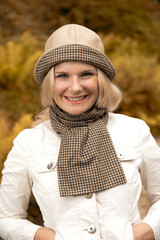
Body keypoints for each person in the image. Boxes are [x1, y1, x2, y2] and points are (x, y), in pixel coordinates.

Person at [0, 24, 160, 240]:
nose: (75, 87)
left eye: (86, 74)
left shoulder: (134, 131)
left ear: (100, 79)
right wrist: (44, 237)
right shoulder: (28, 143)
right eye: (62, 76)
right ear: (50, 82)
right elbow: (5, 218)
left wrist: (147, 230)